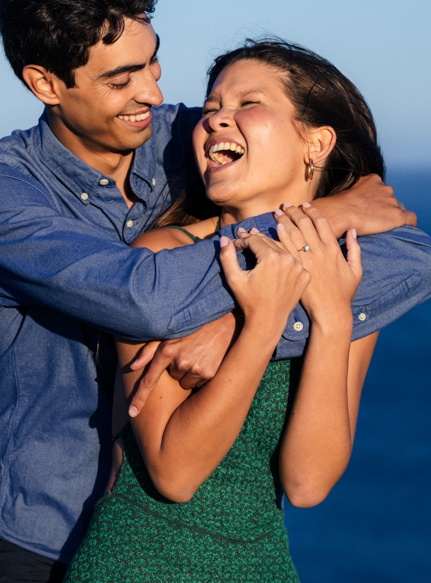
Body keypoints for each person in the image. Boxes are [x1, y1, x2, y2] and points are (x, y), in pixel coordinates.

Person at [0, 0, 431, 581]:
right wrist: (323, 224)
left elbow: (413, 260)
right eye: (121, 79)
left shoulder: (192, 139)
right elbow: (142, 296)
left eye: (153, 64)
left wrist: (234, 324)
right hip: (43, 537)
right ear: (46, 82)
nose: (153, 95)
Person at [67, 41, 386, 583]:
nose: (217, 120)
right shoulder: (160, 261)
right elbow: (174, 472)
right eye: (212, 107)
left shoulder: (348, 274)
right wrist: (260, 323)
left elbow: (307, 485)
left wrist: (332, 320)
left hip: (261, 565)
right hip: (140, 562)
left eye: (247, 103)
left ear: (317, 142)